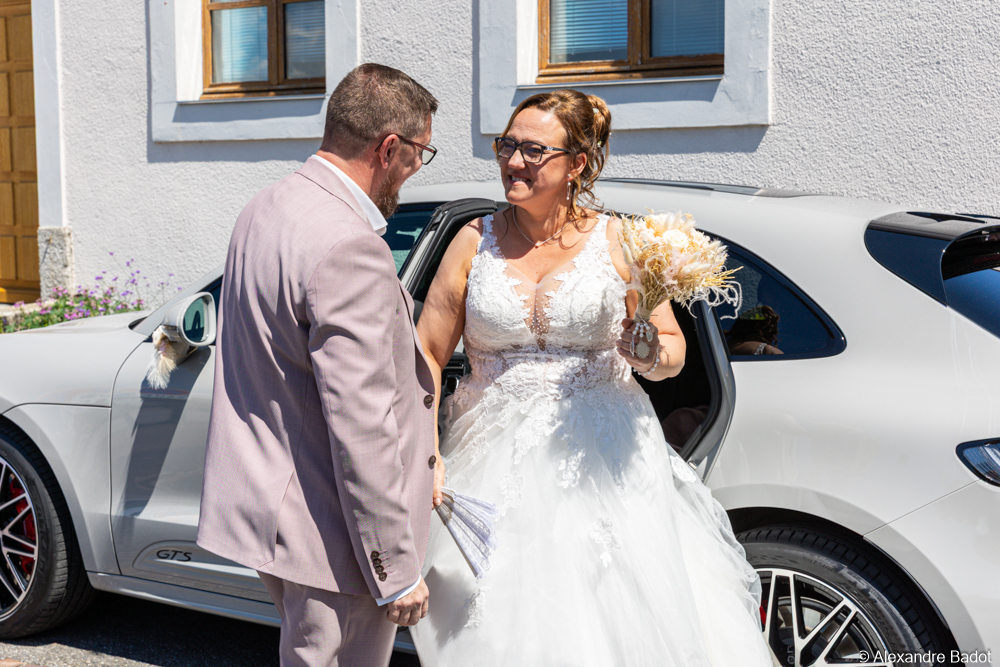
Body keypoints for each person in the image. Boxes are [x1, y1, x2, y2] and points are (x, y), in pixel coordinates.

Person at [409, 90, 775, 665]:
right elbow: (427, 354)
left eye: (533, 150)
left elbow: (673, 352)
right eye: (507, 145)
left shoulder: (621, 242)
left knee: (610, 620)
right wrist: (426, 452)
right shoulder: (472, 240)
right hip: (487, 458)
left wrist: (647, 353)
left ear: (577, 164)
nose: (513, 161)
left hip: (603, 463)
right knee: (497, 625)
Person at [197, 63, 441, 667]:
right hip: (334, 538)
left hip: (274, 515)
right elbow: (362, 421)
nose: (416, 169)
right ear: (389, 148)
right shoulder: (350, 245)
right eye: (420, 154)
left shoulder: (265, 205)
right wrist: (395, 569)